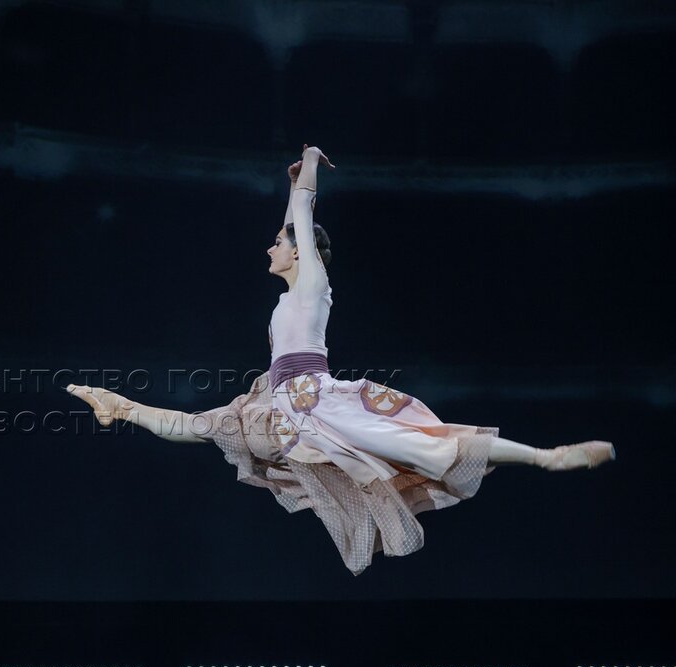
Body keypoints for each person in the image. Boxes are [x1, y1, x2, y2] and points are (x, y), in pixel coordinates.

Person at [67, 144, 615, 575]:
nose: (270, 249)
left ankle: (546, 457)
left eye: (278, 243)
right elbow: (294, 219)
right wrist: (293, 187)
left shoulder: (313, 286)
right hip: (278, 404)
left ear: (299, 253)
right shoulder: (288, 297)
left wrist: (308, 165)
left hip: (317, 402)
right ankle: (121, 407)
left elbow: (302, 216)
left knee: (426, 444)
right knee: (203, 428)